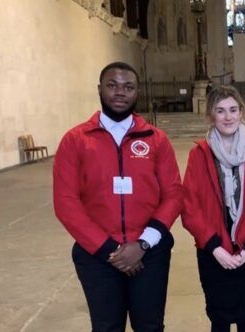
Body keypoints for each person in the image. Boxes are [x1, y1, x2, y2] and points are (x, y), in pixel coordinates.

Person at [53, 61, 184, 332]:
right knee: (106, 327)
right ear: (100, 89)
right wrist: (109, 251)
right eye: (112, 85)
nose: (120, 92)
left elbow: (173, 194)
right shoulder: (75, 140)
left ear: (137, 92)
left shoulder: (156, 140)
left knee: (150, 326)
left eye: (128, 87)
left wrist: (143, 244)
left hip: (149, 253)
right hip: (96, 255)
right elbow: (66, 203)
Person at [182, 85, 245, 332]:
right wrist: (214, 247)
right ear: (211, 116)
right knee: (220, 319)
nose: (228, 117)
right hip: (214, 252)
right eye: (221, 110)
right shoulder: (198, 155)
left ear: (242, 113)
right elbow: (190, 206)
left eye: (233, 110)